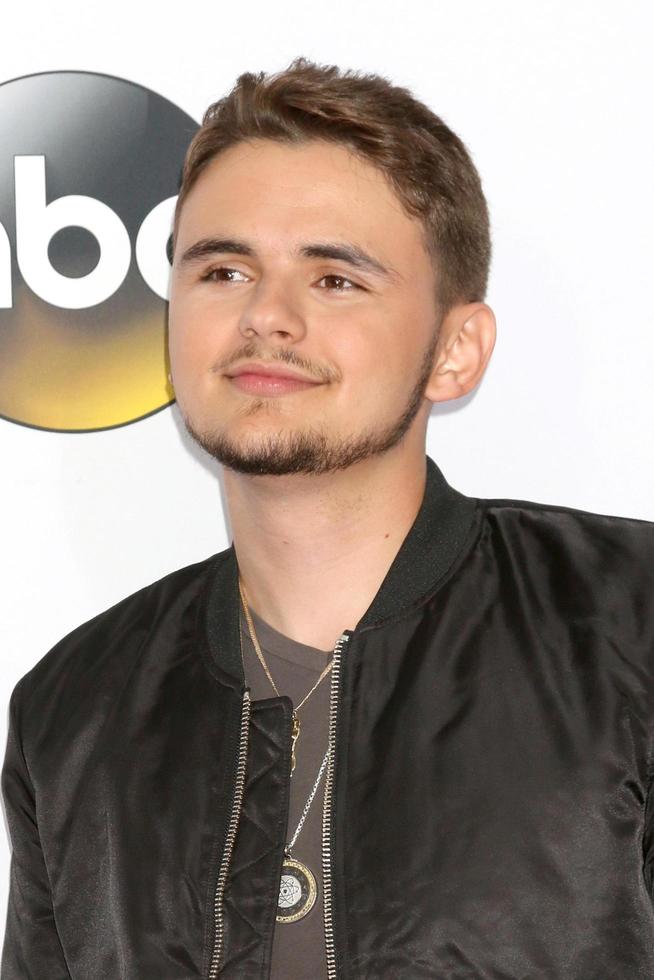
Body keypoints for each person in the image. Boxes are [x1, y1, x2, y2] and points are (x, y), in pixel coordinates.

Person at [2, 56, 653, 980]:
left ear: (456, 351)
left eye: (335, 280)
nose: (268, 317)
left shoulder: (627, 627)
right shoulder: (71, 712)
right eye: (223, 270)